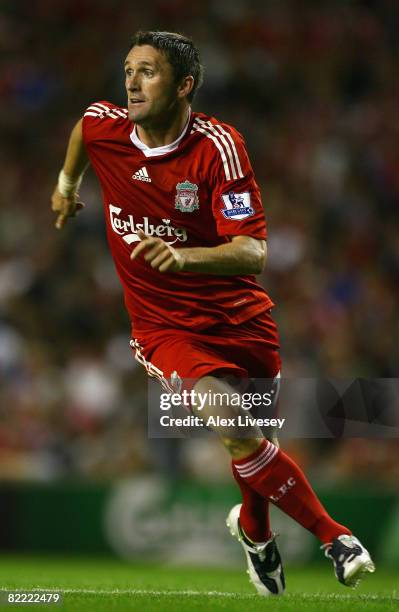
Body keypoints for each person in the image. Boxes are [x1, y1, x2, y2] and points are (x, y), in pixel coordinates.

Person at [51, 30, 375, 596]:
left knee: (248, 440)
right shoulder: (107, 125)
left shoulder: (218, 148)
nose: (131, 80)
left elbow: (254, 251)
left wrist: (183, 257)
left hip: (241, 320)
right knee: (233, 427)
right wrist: (66, 184)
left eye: (148, 71)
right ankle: (335, 537)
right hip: (164, 329)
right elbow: (83, 130)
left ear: (184, 85)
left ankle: (253, 530)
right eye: (129, 69)